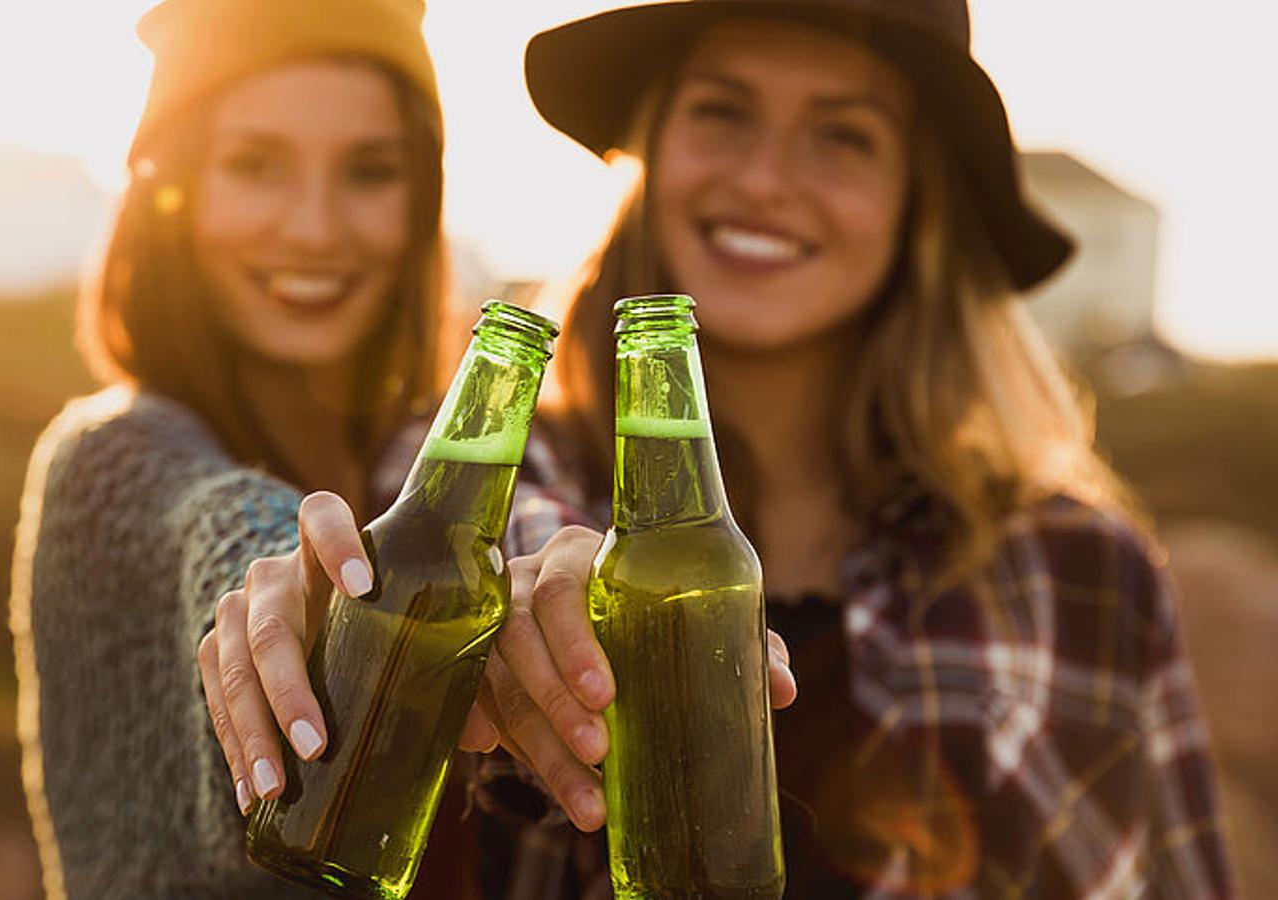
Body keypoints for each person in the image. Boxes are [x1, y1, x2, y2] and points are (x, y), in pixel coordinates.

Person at [204, 0, 1239, 897]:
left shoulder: (1080, 569)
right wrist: (345, 638)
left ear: (918, 204)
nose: (763, 179)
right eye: (721, 112)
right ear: (646, 149)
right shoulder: (476, 498)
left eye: (842, 136)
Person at [7, 0, 448, 897]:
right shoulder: (110, 460)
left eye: (370, 172)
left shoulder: (429, 464)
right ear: (171, 192)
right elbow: (220, 539)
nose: (315, 228)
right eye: (256, 165)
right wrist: (301, 583)